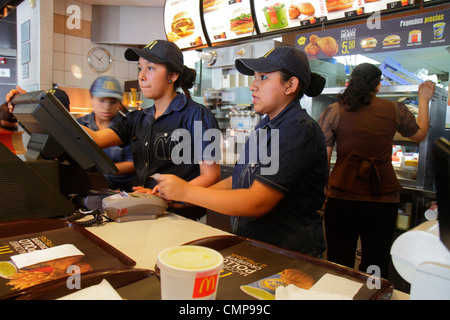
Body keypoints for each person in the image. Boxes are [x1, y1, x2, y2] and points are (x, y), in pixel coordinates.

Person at [151, 46, 328, 257]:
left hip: (289, 254)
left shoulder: (297, 128)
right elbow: (239, 179)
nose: (253, 86)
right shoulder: (267, 125)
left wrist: (187, 192)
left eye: (263, 78)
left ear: (290, 85)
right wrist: (183, 196)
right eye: (254, 77)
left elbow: (257, 201)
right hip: (260, 247)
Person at [317, 63, 436, 278]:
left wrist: (325, 192)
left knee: (338, 261)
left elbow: (322, 160)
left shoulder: (334, 111)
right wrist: (423, 100)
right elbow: (420, 135)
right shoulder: (394, 110)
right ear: (378, 86)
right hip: (382, 200)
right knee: (376, 263)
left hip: (342, 197)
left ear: (350, 83)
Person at [81, 40, 221, 220]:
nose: (142, 76)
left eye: (151, 68)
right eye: (140, 68)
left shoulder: (198, 115)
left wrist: (169, 195)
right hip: (143, 212)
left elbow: (211, 175)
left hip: (179, 217)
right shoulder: (136, 118)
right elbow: (95, 139)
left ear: (173, 75)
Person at [77, 76, 136, 192]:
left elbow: (133, 164)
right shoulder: (80, 125)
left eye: (112, 102)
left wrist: (99, 169)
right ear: (91, 98)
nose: (107, 107)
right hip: (90, 188)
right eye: (102, 100)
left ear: (119, 103)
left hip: (123, 189)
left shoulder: (128, 126)